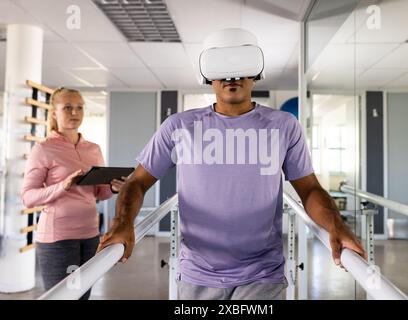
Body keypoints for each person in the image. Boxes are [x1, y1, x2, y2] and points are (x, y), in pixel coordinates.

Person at [97, 28, 366, 300]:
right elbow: (138, 181)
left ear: (256, 72)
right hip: (198, 273)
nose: (231, 76)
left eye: (240, 66)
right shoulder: (179, 126)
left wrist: (336, 225)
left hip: (263, 274)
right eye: (222, 68)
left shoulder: (284, 126)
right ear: (207, 75)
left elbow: (309, 189)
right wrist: (123, 222)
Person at [21, 87, 126, 300]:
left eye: (79, 107)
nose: (74, 112)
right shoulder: (43, 149)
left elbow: (101, 194)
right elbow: (28, 197)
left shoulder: (93, 149)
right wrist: (63, 186)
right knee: (64, 298)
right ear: (53, 112)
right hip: (57, 238)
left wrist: (113, 187)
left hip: (89, 235)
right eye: (67, 107)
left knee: (83, 296)